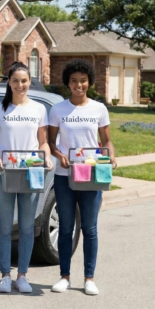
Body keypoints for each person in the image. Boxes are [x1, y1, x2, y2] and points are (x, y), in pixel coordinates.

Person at [47, 59, 117, 296]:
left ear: (89, 82)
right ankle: (64, 276)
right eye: (74, 81)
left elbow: (106, 141)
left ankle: (89, 278)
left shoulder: (99, 109)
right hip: (64, 175)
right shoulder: (58, 110)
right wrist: (59, 155)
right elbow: (50, 141)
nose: (79, 85)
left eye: (83, 81)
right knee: (66, 228)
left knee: (89, 228)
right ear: (67, 82)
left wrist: (112, 157)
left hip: (91, 174)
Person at [0, 61, 52, 293]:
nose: (20, 85)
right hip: (3, 174)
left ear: (30, 82)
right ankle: (5, 275)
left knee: (26, 227)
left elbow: (42, 141)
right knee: (4, 228)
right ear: (9, 82)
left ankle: (22, 275)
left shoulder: (39, 109)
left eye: (24, 81)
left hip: (31, 172)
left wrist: (48, 158)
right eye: (15, 81)